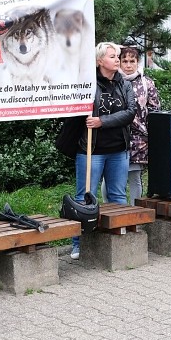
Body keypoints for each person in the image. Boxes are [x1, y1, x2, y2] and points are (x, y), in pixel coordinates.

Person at [69, 42, 136, 259]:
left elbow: (130, 112)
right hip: (92, 150)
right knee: (84, 196)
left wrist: (102, 121)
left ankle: (119, 237)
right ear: (99, 61)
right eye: (112, 56)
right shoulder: (88, 83)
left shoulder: (124, 84)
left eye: (117, 56)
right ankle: (78, 243)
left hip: (118, 150)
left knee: (117, 195)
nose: (117, 60)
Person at [118, 45, 161, 205]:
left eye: (132, 61)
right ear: (119, 62)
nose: (128, 65)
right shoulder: (113, 81)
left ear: (138, 62)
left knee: (135, 176)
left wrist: (150, 133)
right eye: (125, 61)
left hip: (139, 139)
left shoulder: (146, 83)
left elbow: (155, 109)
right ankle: (113, 210)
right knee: (111, 178)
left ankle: (135, 212)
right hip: (116, 136)